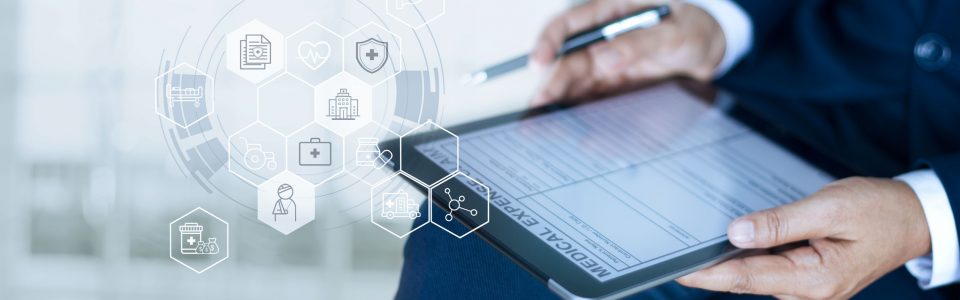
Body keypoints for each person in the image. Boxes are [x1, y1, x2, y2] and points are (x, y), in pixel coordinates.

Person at [397, 0, 959, 299]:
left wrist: (930, 217)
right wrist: (714, 17)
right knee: (481, 216)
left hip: (934, 242)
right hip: (734, 114)